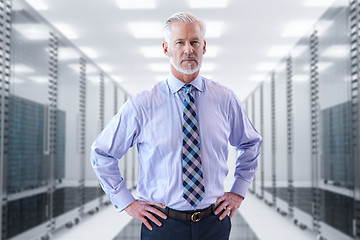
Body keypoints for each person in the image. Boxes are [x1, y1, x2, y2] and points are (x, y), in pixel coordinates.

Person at [90, 12, 262, 240]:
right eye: (179, 42)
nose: (188, 49)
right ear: (166, 48)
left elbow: (250, 143)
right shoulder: (142, 105)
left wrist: (238, 192)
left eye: (194, 42)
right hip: (162, 225)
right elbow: (102, 153)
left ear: (204, 47)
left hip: (214, 223)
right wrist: (127, 202)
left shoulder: (225, 99)